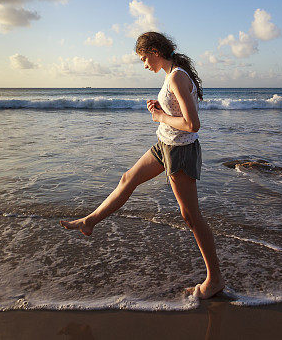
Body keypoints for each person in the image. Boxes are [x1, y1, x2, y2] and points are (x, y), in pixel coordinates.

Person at [60, 31, 225, 299]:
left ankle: (215, 279)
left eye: (143, 57)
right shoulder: (171, 74)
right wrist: (162, 110)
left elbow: (193, 124)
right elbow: (179, 114)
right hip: (165, 145)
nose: (143, 63)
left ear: (155, 51)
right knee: (128, 178)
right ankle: (89, 221)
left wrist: (161, 116)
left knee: (191, 216)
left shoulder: (177, 76)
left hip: (180, 151)